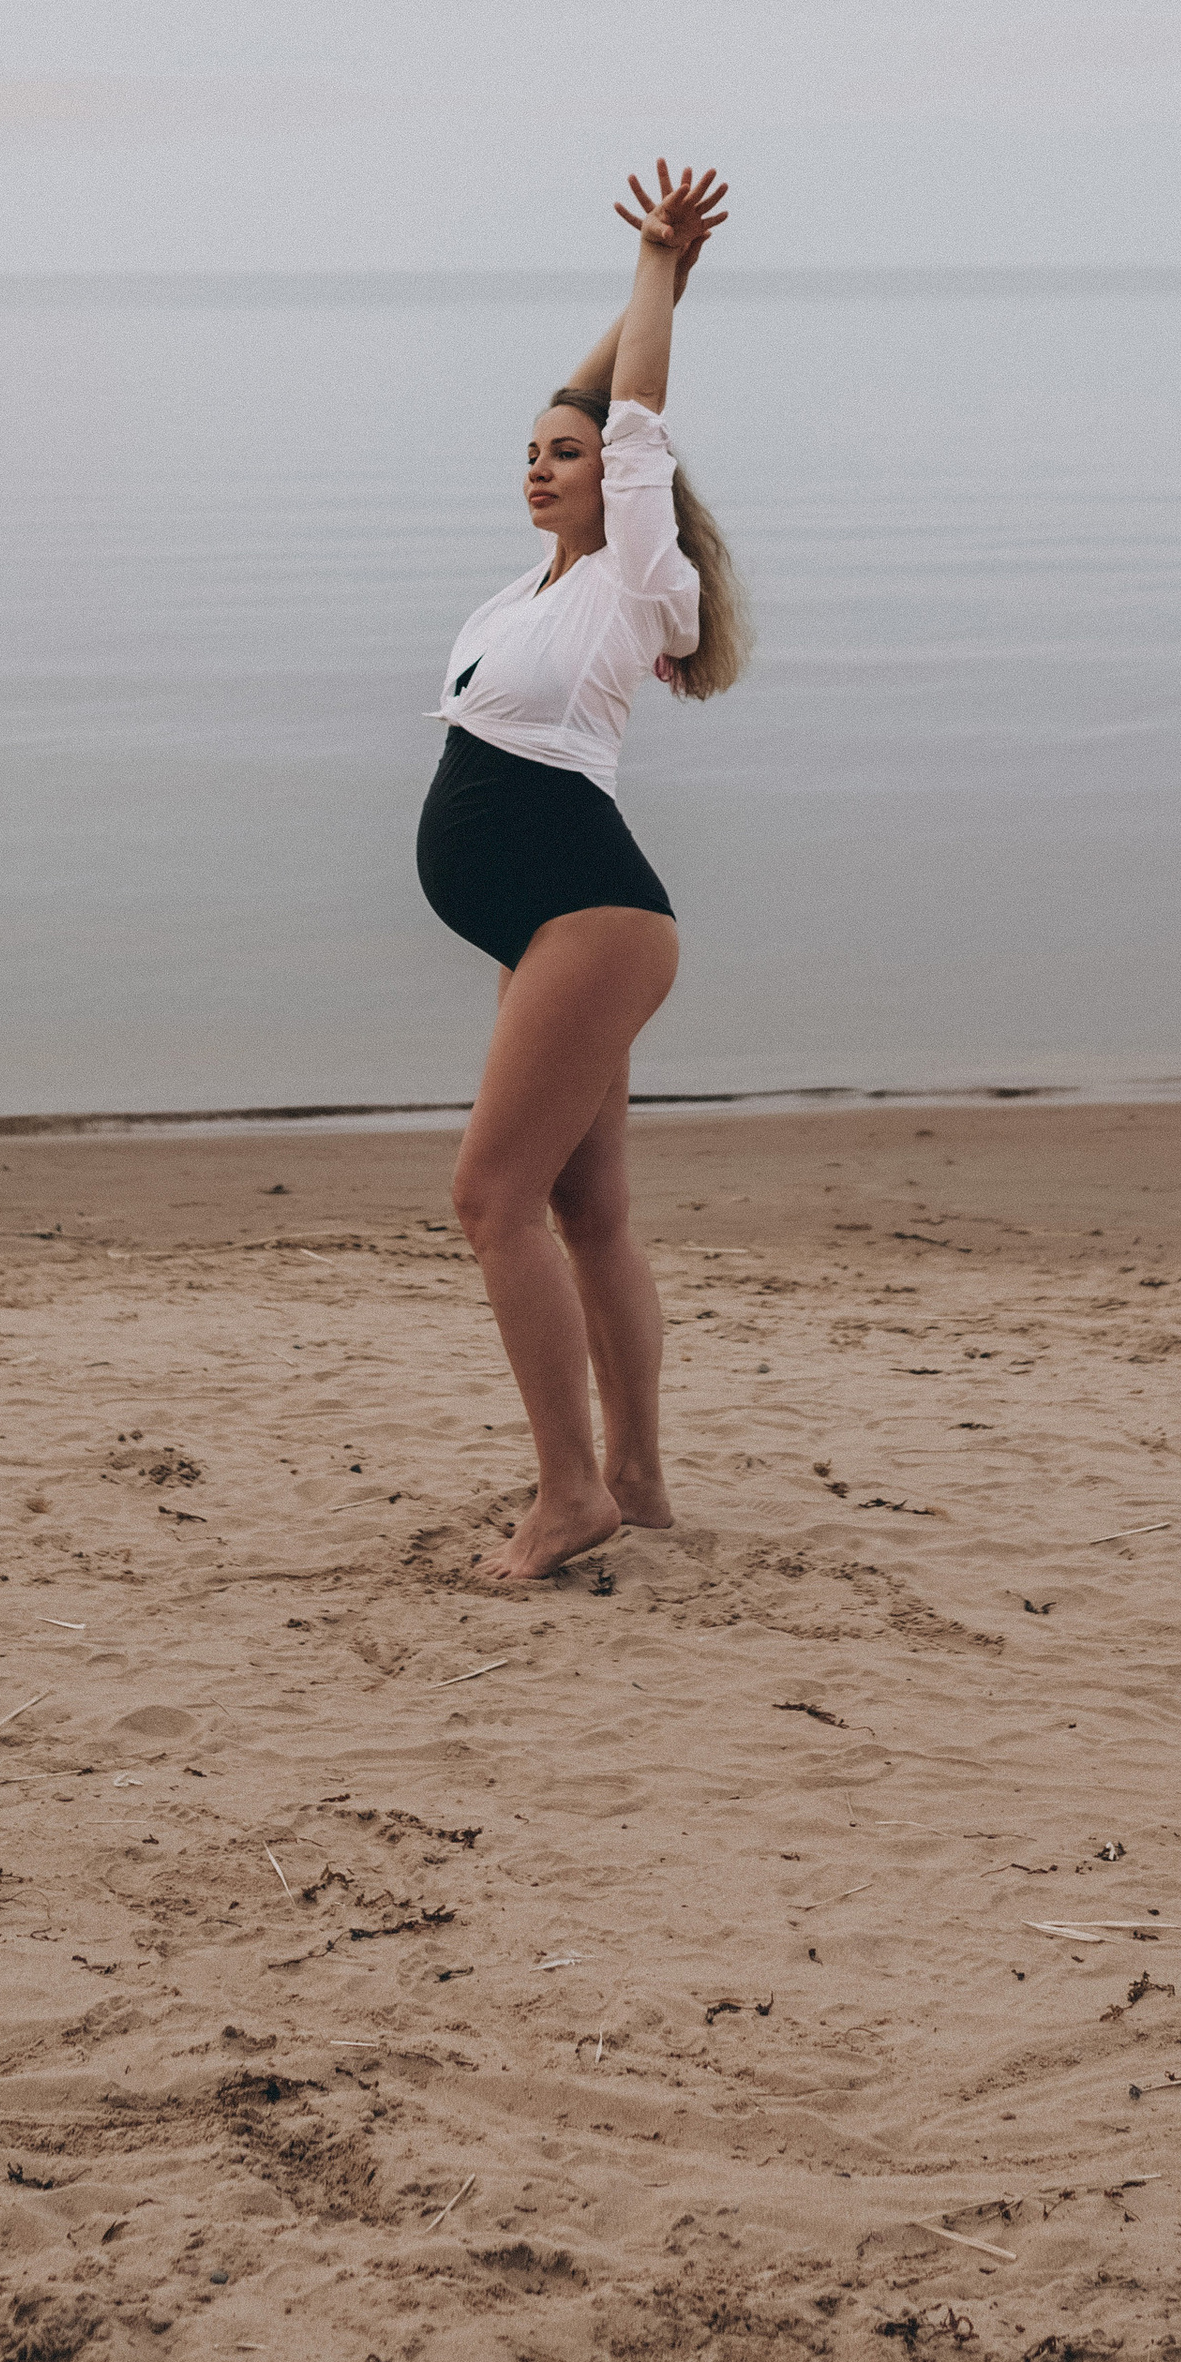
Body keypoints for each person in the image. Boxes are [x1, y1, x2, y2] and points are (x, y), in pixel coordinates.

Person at [418, 160, 748, 1581]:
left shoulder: (632, 572)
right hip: (542, 918)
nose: (541, 461)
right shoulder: (532, 587)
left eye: (566, 453)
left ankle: (570, 1494)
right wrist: (650, 281)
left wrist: (664, 274)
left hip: (590, 912)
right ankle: (638, 1477)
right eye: (534, 449)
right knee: (586, 1210)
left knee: (491, 1202)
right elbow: (597, 394)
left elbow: (634, 425)